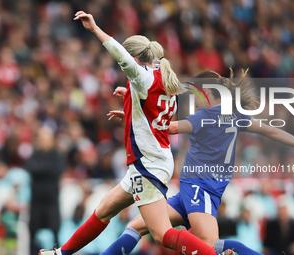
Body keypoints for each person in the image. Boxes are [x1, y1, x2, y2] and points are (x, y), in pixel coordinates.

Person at [40, 11, 225, 255]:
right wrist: (130, 109)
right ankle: (62, 253)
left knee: (162, 234)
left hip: (147, 165)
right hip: (151, 161)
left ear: (137, 58)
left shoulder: (143, 77)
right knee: (103, 210)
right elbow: (155, 116)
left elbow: (121, 56)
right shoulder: (163, 78)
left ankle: (213, 254)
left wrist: (95, 29)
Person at [105, 70, 294, 255]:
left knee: (210, 246)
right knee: (137, 226)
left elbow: (169, 128)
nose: (194, 99)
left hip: (201, 188)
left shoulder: (205, 115)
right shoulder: (236, 115)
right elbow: (271, 130)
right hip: (198, 189)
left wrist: (134, 111)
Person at [24, 126, 66, 254]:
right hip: (37, 201)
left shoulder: (56, 155)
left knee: (55, 232)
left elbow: (57, 169)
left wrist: (40, 168)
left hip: (51, 201)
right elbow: (30, 168)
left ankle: (57, 253)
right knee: (33, 231)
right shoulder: (35, 154)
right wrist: (45, 169)